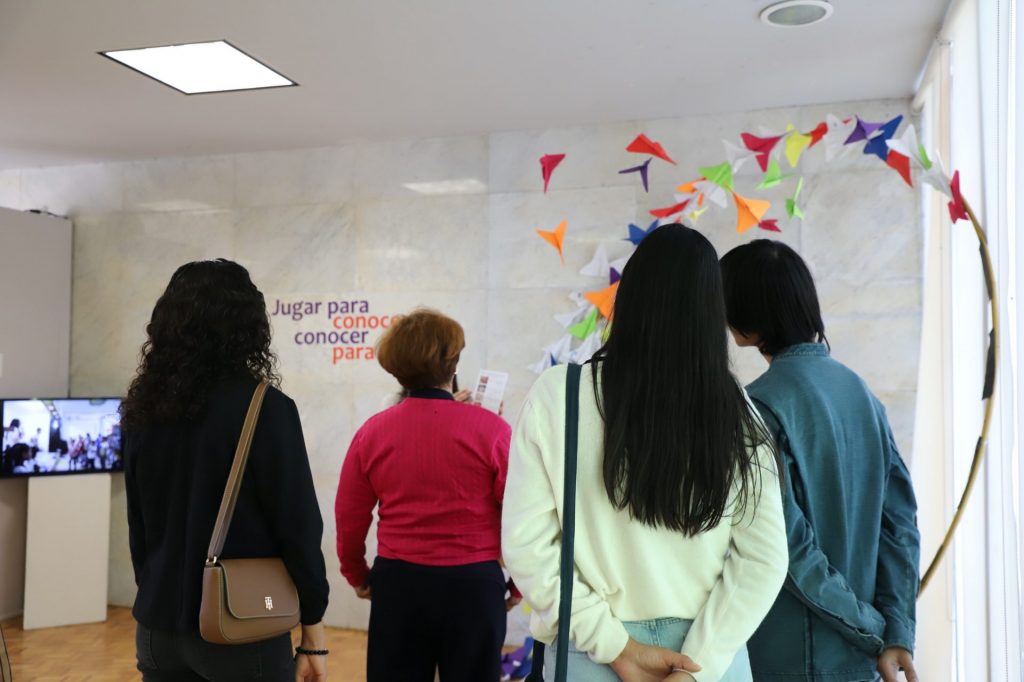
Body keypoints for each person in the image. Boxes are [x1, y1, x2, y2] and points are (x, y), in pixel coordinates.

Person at [503, 224, 789, 682]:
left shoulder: (560, 396)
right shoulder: (736, 412)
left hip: (591, 655)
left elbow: (527, 545)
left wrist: (616, 646)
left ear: (628, 298)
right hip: (708, 658)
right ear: (711, 312)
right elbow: (763, 558)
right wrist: (697, 668)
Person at [719, 240, 920, 682]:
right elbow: (900, 526)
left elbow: (787, 551)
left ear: (748, 316)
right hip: (866, 661)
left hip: (791, 661)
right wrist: (896, 631)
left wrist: (871, 628)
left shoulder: (757, 409)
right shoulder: (863, 396)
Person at [121, 259, 329, 682]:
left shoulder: (145, 408)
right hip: (240, 627)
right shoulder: (266, 408)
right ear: (248, 328)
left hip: (158, 627)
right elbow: (298, 526)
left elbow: (138, 524)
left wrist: (158, 588)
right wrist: (313, 625)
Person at [335, 308, 518, 682]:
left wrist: (357, 574)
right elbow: (520, 513)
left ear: (396, 369)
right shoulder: (493, 430)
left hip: (399, 586)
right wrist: (519, 583)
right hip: (475, 586)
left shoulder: (372, 432)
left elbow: (349, 515)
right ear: (454, 363)